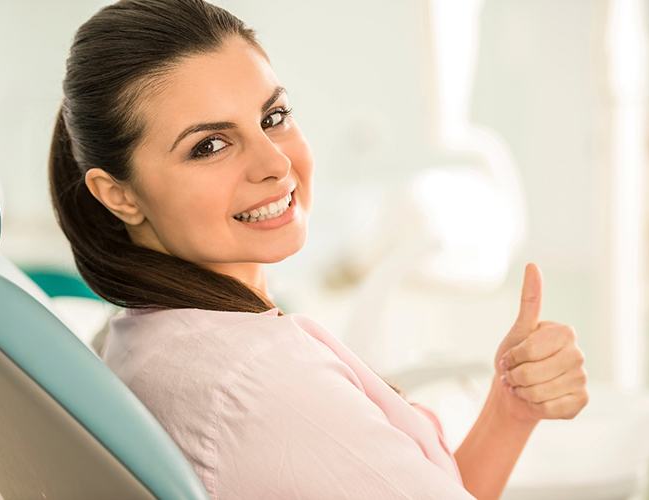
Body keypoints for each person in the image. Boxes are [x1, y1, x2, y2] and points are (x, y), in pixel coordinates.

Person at [48, 1, 590, 498]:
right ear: (117, 194)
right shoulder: (261, 377)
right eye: (209, 145)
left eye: (273, 118)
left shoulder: (138, 336)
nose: (275, 164)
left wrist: (509, 410)